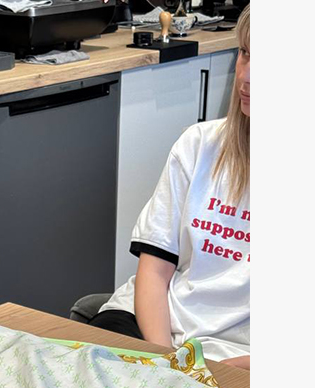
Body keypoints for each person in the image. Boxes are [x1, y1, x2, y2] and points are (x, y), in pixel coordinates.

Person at [86, 8, 250, 369]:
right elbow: (154, 270)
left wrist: (196, 374)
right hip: (148, 324)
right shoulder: (200, 144)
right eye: (244, 53)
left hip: (228, 355)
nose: (246, 76)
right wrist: (167, 364)